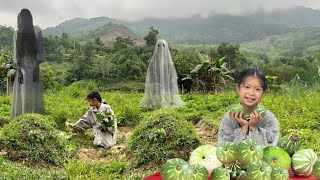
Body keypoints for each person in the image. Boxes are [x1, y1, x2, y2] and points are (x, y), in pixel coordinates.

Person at [218, 68, 279, 147]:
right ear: (238, 88)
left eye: (257, 89)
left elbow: (270, 149)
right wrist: (243, 128)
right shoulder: (229, 117)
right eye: (247, 87)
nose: (251, 93)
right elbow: (224, 149)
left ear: (263, 94)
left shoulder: (269, 118)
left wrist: (253, 127)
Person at [11, 9, 45, 119]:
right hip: (22, 69)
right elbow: (17, 54)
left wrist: (36, 68)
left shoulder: (37, 30)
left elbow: (40, 51)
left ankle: (34, 118)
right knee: (23, 94)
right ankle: (23, 118)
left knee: (33, 94)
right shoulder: (17, 33)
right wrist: (19, 70)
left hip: (34, 67)